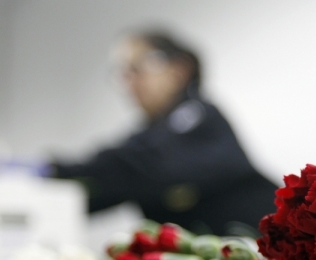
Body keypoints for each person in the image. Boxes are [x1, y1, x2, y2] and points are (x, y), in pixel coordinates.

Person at [51, 30, 278, 235]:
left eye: (140, 66)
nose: (131, 81)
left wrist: (66, 169)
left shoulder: (198, 116)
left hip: (267, 250)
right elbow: (113, 182)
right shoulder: (144, 140)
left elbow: (149, 166)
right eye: (124, 72)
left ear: (180, 69)